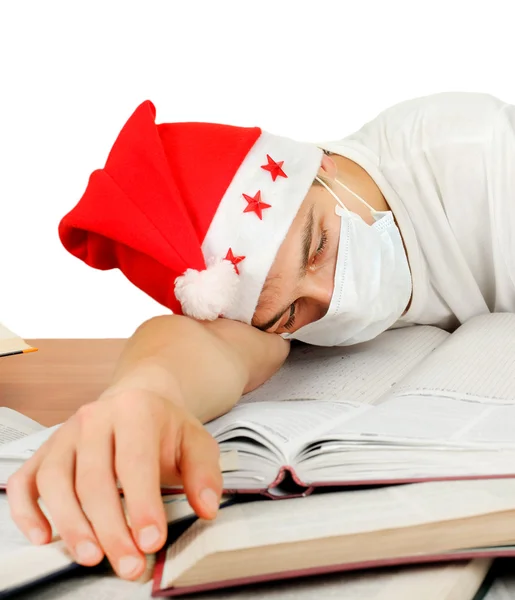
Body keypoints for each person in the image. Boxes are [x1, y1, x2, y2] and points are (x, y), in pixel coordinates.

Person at [7, 91, 515, 581]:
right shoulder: (274, 310)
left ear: (321, 165)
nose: (333, 294)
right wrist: (145, 393)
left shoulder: (476, 154)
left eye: (317, 246)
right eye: (291, 312)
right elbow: (206, 346)